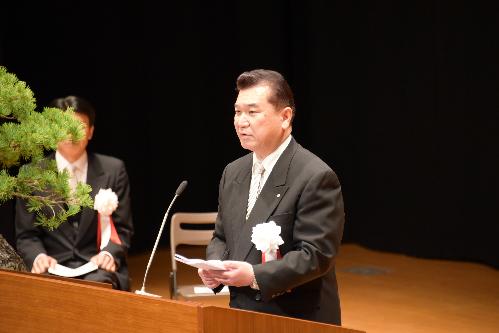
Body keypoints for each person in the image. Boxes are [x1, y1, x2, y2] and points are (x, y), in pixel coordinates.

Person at [198, 69, 345, 325]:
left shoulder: (316, 176)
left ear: (285, 117)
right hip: (242, 313)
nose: (241, 121)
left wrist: (254, 275)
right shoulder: (233, 172)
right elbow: (222, 236)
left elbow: (315, 255)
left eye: (252, 112)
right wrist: (215, 266)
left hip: (296, 318)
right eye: (237, 111)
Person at [15, 96, 134, 290]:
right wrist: (38, 256)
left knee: (99, 286)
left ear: (91, 132)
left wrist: (109, 254)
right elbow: (26, 235)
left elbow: (122, 228)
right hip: (51, 266)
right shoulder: (31, 175)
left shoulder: (113, 169)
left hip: (97, 266)